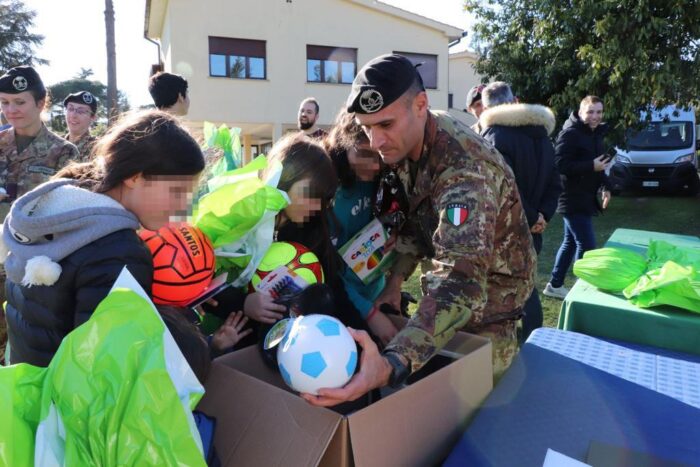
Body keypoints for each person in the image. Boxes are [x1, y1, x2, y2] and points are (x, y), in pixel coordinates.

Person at [303, 54, 536, 408]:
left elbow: (460, 281)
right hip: (446, 310)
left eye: (385, 125)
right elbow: (415, 224)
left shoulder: (465, 171)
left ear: (421, 105)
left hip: (491, 311)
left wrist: (392, 362)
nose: (376, 142)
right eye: (367, 129)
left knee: (485, 420)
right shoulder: (406, 145)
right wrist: (396, 283)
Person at [0, 110, 205, 366]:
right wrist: (178, 320)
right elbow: (104, 366)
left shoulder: (59, 207)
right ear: (134, 177)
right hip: (65, 400)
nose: (182, 207)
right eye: (177, 191)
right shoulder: (118, 250)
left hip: (26, 387)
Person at [480, 81, 562, 340]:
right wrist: (542, 216)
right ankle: (533, 343)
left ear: (485, 108)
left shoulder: (494, 136)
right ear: (514, 101)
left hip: (504, 231)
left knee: (502, 293)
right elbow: (554, 183)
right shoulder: (541, 136)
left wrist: (532, 216)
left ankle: (508, 350)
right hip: (533, 228)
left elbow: (504, 187)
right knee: (527, 289)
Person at [325, 109, 400, 344]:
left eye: (378, 155)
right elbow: (329, 273)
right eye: (364, 153)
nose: (375, 165)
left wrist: (396, 238)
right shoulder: (329, 195)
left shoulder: (384, 181)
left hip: (376, 291)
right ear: (343, 145)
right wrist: (369, 313)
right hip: (345, 305)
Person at [544, 96, 613, 299]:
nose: (595, 116)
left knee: (570, 242)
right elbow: (559, 165)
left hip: (586, 196)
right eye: (590, 111)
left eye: (599, 112)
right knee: (587, 246)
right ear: (581, 112)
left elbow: (600, 166)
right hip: (571, 197)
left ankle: (555, 285)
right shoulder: (570, 133)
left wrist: (606, 187)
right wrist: (590, 165)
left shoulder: (596, 134)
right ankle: (582, 290)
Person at [63, 91, 98, 161]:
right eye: (70, 109)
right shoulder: (53, 144)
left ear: (93, 117)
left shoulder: (98, 148)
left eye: (81, 111)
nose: (73, 115)